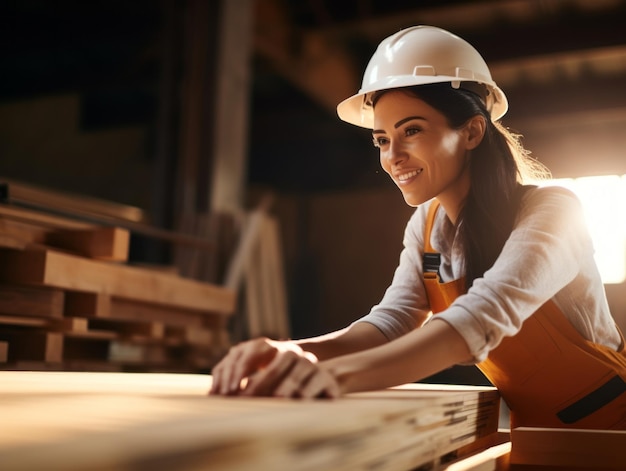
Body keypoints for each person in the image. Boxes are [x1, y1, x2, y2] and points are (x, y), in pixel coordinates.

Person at [210, 25, 626, 430]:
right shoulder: (427, 228)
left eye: (412, 131)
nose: (393, 156)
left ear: (472, 132)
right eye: (382, 140)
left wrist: (341, 377)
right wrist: (293, 353)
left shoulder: (553, 211)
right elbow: (392, 322)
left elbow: (480, 317)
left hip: (613, 430)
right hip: (534, 430)